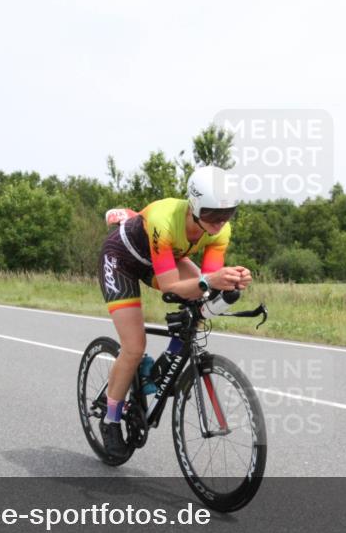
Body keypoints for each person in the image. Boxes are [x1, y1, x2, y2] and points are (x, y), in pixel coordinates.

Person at [97, 165, 252, 456]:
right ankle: (111, 418)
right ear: (194, 206)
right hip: (121, 261)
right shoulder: (165, 219)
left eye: (227, 214)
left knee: (201, 301)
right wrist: (210, 281)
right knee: (133, 346)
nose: (219, 222)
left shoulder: (220, 230)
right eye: (212, 214)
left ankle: (162, 365)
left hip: (159, 259)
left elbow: (207, 285)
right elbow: (170, 287)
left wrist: (231, 283)